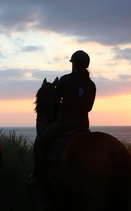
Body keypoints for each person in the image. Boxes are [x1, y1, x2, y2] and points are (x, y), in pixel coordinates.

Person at [25, 50, 96, 189]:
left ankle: (41, 179)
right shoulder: (91, 84)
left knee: (39, 145)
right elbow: (88, 108)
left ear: (73, 64)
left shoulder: (65, 80)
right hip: (83, 125)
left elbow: (54, 103)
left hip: (64, 124)